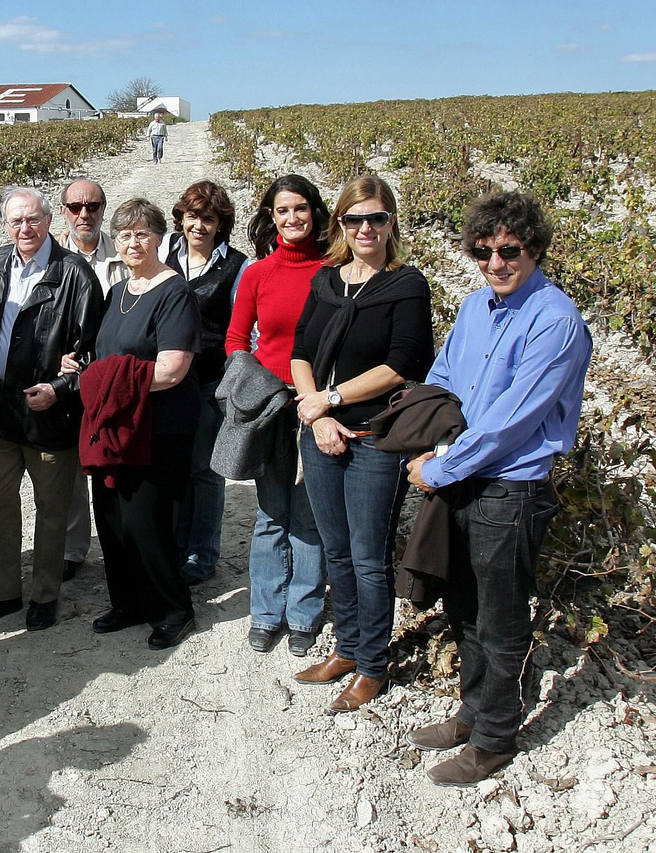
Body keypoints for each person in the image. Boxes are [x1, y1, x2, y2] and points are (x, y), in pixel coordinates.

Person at [406, 191, 591, 786]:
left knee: (501, 617)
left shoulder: (556, 320)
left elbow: (514, 420)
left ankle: (493, 740)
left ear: (534, 248)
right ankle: (472, 712)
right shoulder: (474, 307)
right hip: (462, 474)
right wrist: (428, 435)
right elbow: (441, 377)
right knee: (464, 606)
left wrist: (441, 467)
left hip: (508, 491)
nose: (496, 263)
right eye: (484, 252)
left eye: (509, 250)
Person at [289, 175, 434, 711]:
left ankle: (373, 664)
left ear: (392, 222)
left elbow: (400, 366)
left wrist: (328, 399)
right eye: (355, 219)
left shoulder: (407, 285)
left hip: (376, 437)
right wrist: (316, 412)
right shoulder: (326, 280)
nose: (365, 228)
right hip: (321, 433)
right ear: (341, 225)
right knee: (337, 550)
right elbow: (300, 350)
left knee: (370, 557)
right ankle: (347, 648)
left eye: (376, 218)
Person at [0, 185, 104, 633]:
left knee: (51, 509)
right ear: (6, 225)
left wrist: (61, 388)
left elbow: (91, 352)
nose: (25, 228)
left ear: (49, 221)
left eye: (33, 220)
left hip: (49, 414)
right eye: (16, 221)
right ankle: (1, 592)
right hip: (2, 412)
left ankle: (45, 595)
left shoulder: (75, 274)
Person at [69, 197, 202, 650]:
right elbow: (103, 355)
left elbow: (171, 370)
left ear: (160, 238)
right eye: (124, 234)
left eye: (142, 233)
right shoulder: (119, 291)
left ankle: (173, 609)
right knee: (111, 520)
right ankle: (127, 602)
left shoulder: (175, 292)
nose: (132, 242)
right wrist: (83, 366)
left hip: (159, 427)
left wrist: (101, 380)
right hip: (116, 425)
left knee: (147, 521)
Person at [225, 174, 332, 657]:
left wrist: (327, 398)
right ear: (271, 217)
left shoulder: (335, 270)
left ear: (316, 212)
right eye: (282, 210)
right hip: (272, 406)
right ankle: (266, 612)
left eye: (301, 209)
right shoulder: (257, 274)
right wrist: (253, 386)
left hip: (320, 405)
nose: (292, 219)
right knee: (272, 512)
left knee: (309, 514)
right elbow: (235, 340)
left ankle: (304, 612)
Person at [164, 180, 250, 584]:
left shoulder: (237, 266)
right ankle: (174, 545)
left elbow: (242, 328)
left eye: (209, 218)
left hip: (207, 380)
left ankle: (202, 554)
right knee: (172, 466)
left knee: (205, 470)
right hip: (164, 380)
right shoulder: (163, 252)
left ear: (221, 224)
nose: (198, 225)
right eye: (193, 216)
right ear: (181, 216)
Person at [56, 178, 126, 583]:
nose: (85, 214)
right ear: (63, 210)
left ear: (103, 208)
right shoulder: (51, 256)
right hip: (71, 375)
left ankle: (121, 541)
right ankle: (73, 549)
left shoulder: (123, 254)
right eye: (76, 207)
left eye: (94, 206)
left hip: (114, 374)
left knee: (115, 456)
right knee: (70, 462)